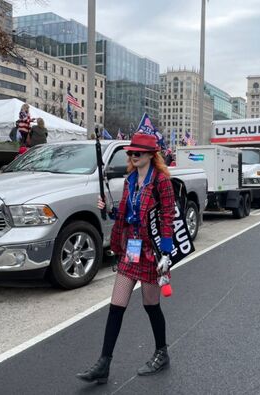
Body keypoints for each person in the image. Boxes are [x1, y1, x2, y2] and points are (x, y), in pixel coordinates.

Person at [77, 133, 175, 384]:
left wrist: (165, 253)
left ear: (151, 155)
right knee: (116, 306)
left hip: (151, 251)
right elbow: (125, 212)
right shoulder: (130, 180)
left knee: (151, 305)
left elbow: (167, 217)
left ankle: (161, 352)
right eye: (130, 153)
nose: (132, 156)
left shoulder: (161, 181)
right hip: (131, 249)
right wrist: (108, 210)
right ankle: (104, 363)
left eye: (137, 153)